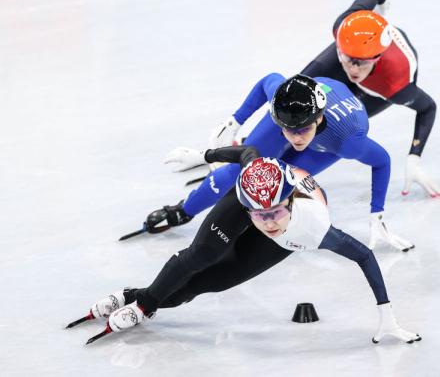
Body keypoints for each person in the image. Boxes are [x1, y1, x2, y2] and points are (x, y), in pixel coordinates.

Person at [76, 146, 422, 345]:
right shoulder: (253, 187)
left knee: (206, 283)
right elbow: (248, 153)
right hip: (248, 198)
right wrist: (203, 155)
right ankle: (141, 304)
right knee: (200, 256)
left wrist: (386, 314)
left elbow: (364, 255)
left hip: (290, 231)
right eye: (259, 216)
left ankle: (130, 294)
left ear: (290, 202)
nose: (267, 222)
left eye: (274, 213)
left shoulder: (314, 226)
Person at [209, 0, 440, 198]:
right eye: (347, 59)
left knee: (335, 125)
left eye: (359, 63)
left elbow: (428, 108)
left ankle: (282, 159)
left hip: (377, 88)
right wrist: (379, 12)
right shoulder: (344, 26)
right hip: (359, 50)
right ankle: (249, 143)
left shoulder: (395, 86)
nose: (352, 69)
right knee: (294, 95)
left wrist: (414, 157)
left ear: (377, 58)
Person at [158, 74, 413, 250]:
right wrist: (234, 122)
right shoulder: (284, 98)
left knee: (280, 182)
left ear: (318, 119)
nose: (295, 138)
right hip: (308, 106)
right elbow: (268, 80)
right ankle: (184, 210)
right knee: (239, 172)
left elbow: (382, 161)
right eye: (288, 130)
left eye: (302, 130)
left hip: (329, 141)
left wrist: (376, 214)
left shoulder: (347, 142)